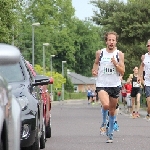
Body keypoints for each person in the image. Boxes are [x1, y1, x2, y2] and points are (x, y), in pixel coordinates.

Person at [92, 31, 125, 143]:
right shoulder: (100, 53)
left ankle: (110, 133)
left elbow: (122, 71)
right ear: (106, 41)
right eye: (109, 40)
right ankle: (103, 122)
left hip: (115, 85)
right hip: (102, 84)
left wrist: (116, 64)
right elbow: (96, 63)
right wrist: (94, 70)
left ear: (116, 42)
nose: (111, 42)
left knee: (112, 110)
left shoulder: (119, 54)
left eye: (113, 40)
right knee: (105, 105)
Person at [138, 39, 150, 120]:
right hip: (148, 82)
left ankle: (148, 114)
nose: (149, 47)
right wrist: (140, 77)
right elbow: (141, 67)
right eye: (148, 45)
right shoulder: (145, 57)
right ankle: (148, 113)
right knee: (149, 101)